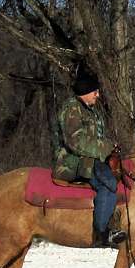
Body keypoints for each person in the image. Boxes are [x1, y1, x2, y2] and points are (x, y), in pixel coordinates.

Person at [52, 70, 127, 248]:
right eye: (95, 91)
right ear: (85, 91)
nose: (98, 95)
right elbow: (75, 141)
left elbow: (96, 140)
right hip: (72, 162)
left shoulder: (91, 111)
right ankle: (102, 233)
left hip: (89, 160)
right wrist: (106, 147)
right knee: (107, 181)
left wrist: (110, 149)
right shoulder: (72, 108)